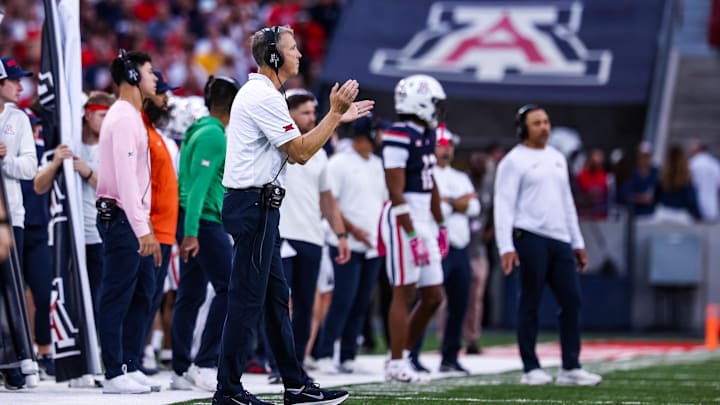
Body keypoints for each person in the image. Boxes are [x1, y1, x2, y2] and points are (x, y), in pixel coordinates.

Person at [216, 25, 367, 405]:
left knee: (273, 299)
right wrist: (333, 115)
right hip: (253, 206)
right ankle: (228, 390)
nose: (299, 54)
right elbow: (299, 152)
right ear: (273, 56)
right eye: (292, 48)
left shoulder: (263, 94)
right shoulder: (263, 96)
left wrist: (335, 119)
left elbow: (294, 142)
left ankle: (295, 384)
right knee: (247, 299)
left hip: (258, 206)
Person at [494, 104, 601, 386]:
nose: (544, 127)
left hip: (560, 239)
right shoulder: (514, 161)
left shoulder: (557, 158)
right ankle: (531, 367)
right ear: (523, 129)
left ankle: (570, 367)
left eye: (546, 121)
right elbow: (503, 205)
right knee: (530, 301)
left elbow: (567, 202)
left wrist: (577, 242)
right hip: (529, 235)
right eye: (537, 123)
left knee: (572, 300)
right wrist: (505, 245)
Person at [95, 50, 162, 394]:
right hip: (123, 218)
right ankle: (112, 372)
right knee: (117, 295)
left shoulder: (133, 116)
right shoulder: (122, 117)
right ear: (133, 76)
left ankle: (129, 362)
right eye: (149, 72)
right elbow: (125, 180)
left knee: (143, 292)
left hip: (132, 218)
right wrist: (142, 229)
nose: (155, 78)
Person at [273, 88, 352, 381]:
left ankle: (297, 362)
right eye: (305, 112)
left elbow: (327, 199)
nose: (311, 117)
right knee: (280, 303)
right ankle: (273, 362)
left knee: (307, 305)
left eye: (313, 112)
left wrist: (340, 235)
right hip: (282, 234)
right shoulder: (280, 143)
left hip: (312, 237)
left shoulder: (318, 152)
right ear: (289, 114)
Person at [170, 75, 239, 392]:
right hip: (203, 221)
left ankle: (181, 368)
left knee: (192, 294)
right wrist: (192, 232)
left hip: (192, 219)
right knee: (229, 288)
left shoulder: (196, 130)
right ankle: (205, 362)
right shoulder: (214, 135)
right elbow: (197, 187)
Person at [378, 74, 448, 383]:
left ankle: (403, 353)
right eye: (433, 102)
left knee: (433, 295)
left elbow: (430, 183)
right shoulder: (398, 134)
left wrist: (441, 223)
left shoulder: (427, 134)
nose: (436, 108)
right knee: (404, 290)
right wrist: (410, 232)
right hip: (401, 217)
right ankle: (395, 362)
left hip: (423, 218)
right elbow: (395, 188)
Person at [312, 115, 386, 374]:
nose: (381, 138)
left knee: (362, 302)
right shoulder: (339, 163)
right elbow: (331, 204)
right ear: (365, 135)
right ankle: (322, 353)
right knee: (342, 299)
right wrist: (353, 231)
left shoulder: (378, 164)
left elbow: (382, 202)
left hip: (373, 245)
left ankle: (347, 356)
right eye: (377, 133)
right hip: (344, 242)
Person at [0, 56, 38, 389]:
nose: (20, 85)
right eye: (13, 80)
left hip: (12, 216)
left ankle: (13, 359)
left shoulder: (19, 119)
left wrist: (5, 158)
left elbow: (30, 168)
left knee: (12, 288)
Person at [139, 70, 179, 378]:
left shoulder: (166, 139)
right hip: (145, 228)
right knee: (139, 294)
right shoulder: (138, 131)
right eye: (161, 93)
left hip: (165, 229)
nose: (166, 100)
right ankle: (133, 356)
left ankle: (142, 352)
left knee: (154, 294)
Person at [431, 127, 480, 374]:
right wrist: (455, 202)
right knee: (428, 301)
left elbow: (474, 207)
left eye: (449, 144)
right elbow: (440, 209)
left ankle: (450, 356)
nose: (446, 148)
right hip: (437, 245)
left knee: (460, 304)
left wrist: (449, 201)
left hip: (460, 246)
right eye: (442, 144)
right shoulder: (428, 173)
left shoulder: (460, 177)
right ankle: (411, 354)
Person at [20, 109, 54, 379]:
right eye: (30, 128)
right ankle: (18, 353)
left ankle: (44, 351)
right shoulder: (10, 150)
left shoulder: (43, 150)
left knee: (44, 294)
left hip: (40, 229)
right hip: (12, 228)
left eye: (36, 127)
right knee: (12, 296)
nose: (35, 133)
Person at [654, 144, 701, 222]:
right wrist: (698, 215)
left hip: (663, 214)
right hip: (680, 217)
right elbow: (691, 201)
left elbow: (656, 198)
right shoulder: (685, 179)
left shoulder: (662, 178)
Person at [688, 139, 720, 222]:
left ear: (698, 150)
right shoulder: (714, 163)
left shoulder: (692, 163)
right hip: (712, 209)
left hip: (696, 208)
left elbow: (689, 184)